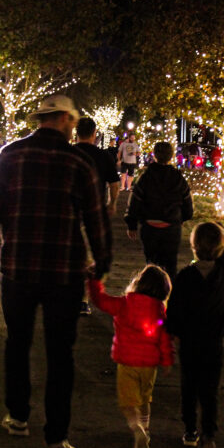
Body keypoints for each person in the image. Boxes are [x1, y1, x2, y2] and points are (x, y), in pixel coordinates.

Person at [0, 94, 112, 448]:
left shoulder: (11, 154)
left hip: (18, 266)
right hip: (64, 271)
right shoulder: (78, 161)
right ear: (67, 120)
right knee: (60, 353)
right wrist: (101, 260)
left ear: (41, 119)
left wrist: (15, 216)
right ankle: (56, 438)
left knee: (18, 344)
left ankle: (18, 416)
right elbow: (96, 218)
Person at [87, 266, 174, 448]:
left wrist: (94, 282)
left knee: (128, 403)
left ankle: (137, 429)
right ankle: (146, 429)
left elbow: (100, 301)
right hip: (149, 365)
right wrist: (167, 360)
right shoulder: (159, 309)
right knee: (144, 399)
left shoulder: (124, 304)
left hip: (127, 362)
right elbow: (164, 337)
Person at [167, 221, 224, 448]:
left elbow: (174, 310)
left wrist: (172, 332)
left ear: (193, 247)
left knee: (189, 387)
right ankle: (209, 436)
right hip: (214, 341)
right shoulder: (220, 273)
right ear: (220, 247)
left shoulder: (184, 277)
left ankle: (190, 430)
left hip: (190, 343)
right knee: (210, 391)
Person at [125, 141, 194, 280]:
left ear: (154, 155)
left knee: (151, 265)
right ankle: (169, 296)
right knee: (171, 265)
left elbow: (135, 201)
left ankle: (152, 294)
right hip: (171, 228)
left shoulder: (146, 177)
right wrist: (183, 218)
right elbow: (187, 202)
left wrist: (132, 224)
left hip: (150, 227)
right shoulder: (178, 177)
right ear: (171, 156)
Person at [74, 117, 122, 316]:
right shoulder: (103, 157)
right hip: (94, 211)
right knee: (92, 256)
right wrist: (112, 203)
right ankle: (85, 299)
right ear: (95, 134)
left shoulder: (69, 153)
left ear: (77, 133)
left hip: (69, 211)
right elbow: (114, 183)